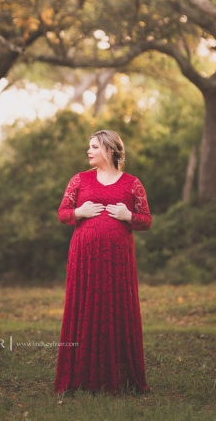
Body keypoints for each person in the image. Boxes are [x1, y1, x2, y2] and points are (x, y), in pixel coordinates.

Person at [54, 129, 152, 396]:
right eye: (89, 146)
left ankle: (118, 377)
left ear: (110, 150)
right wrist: (79, 212)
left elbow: (146, 221)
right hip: (83, 259)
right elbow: (62, 214)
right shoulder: (79, 180)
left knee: (115, 308)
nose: (89, 151)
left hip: (118, 261)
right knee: (84, 307)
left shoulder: (132, 183)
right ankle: (80, 377)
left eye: (94, 146)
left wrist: (128, 215)